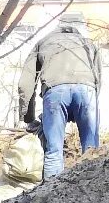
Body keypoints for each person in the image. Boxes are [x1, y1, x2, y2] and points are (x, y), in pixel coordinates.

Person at [18, 10, 101, 180]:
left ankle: (51, 197)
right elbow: (98, 80)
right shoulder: (89, 44)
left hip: (55, 92)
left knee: (54, 150)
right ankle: (93, 194)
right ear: (81, 26)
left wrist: (28, 117)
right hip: (87, 91)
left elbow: (25, 83)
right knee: (91, 149)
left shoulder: (44, 42)